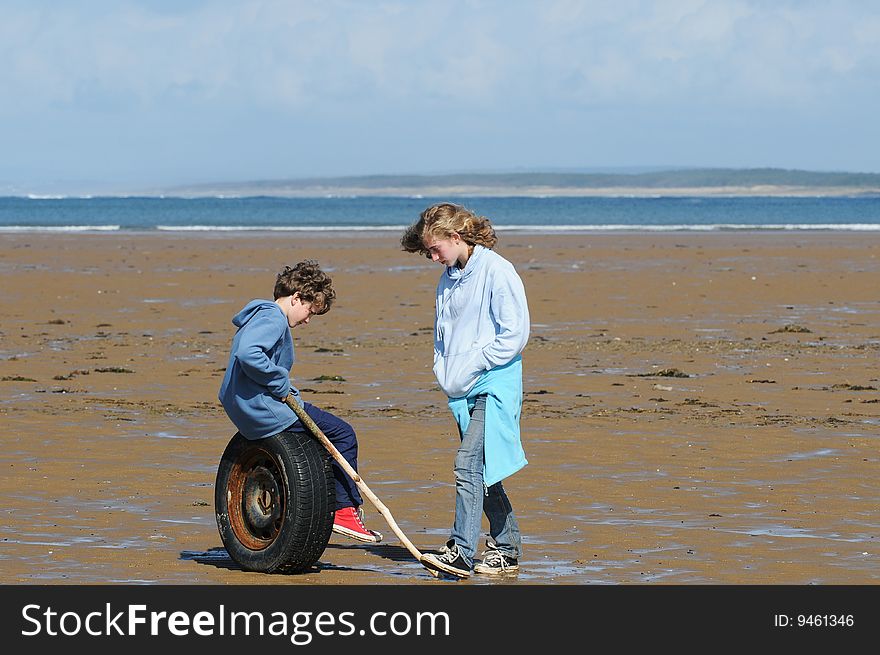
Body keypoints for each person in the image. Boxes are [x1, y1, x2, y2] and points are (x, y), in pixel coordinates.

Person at [401, 202, 529, 577]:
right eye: (427, 251)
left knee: (466, 465)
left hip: (495, 382)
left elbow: (515, 334)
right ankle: (507, 547)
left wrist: (475, 362)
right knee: (482, 470)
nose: (432, 256)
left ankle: (460, 550)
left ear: (455, 237)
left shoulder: (497, 271)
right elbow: (443, 336)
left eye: (435, 248)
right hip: (460, 389)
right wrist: (444, 368)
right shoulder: (447, 278)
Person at [218, 260, 382, 543]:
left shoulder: (258, 316)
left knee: (315, 446)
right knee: (343, 434)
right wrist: (280, 383)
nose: (308, 320)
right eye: (309, 311)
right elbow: (248, 354)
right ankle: (343, 510)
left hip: (246, 411)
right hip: (266, 409)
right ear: (296, 298)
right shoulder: (272, 317)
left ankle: (309, 508)